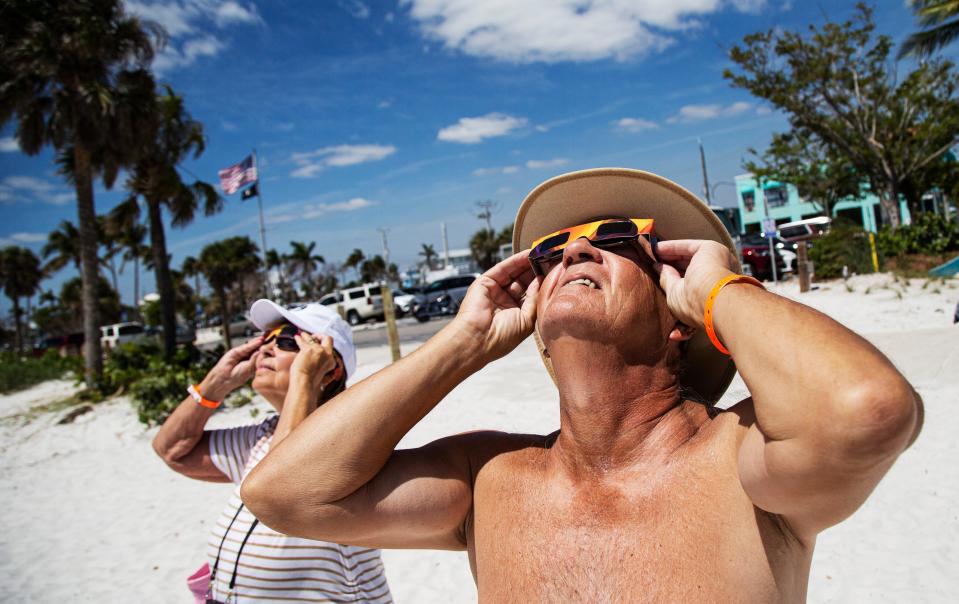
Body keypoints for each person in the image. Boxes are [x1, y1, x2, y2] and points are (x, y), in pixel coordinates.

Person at [241, 168, 922, 602]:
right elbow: (284, 494)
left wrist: (718, 289)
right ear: (534, 323)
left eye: (619, 239)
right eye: (551, 252)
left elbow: (865, 411)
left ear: (675, 313)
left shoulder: (740, 461)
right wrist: (463, 344)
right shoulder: (487, 477)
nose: (572, 251)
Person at [153, 300, 392, 603]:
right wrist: (215, 385)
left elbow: (283, 484)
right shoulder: (265, 436)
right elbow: (172, 450)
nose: (264, 349)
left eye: (285, 340)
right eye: (264, 340)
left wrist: (305, 379)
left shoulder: (345, 439)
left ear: (330, 368)